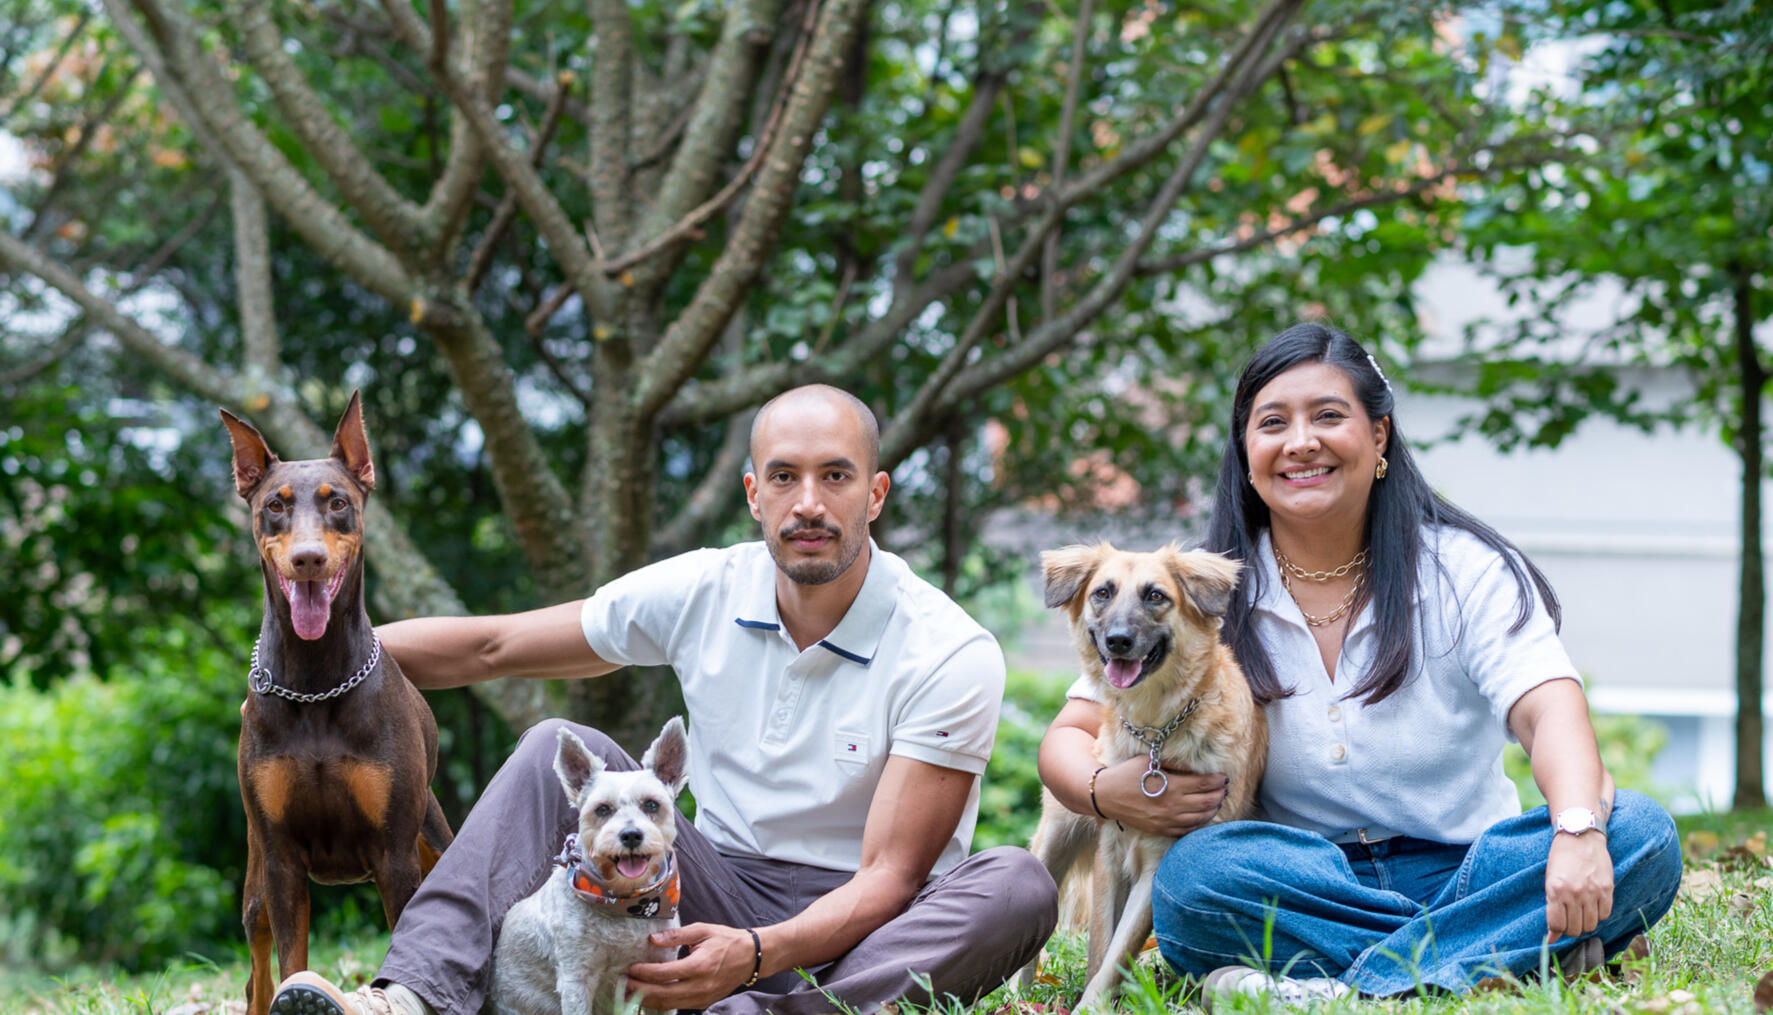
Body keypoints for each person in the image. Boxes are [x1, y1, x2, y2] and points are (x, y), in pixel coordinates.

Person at [272, 385, 1058, 1015]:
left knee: (1016, 885)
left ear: (875, 493)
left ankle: (761, 1009)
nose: (808, 503)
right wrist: (291, 666)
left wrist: (756, 956)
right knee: (553, 743)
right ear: (753, 493)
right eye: (784, 476)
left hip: (873, 927)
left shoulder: (945, 648)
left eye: (836, 475)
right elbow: (495, 646)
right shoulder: (706, 586)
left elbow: (889, 877)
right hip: (711, 886)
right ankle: (410, 994)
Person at [1036, 323, 1681, 1001]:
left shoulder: (1462, 569)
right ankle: (1496, 954)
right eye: (1273, 423)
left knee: (1641, 834)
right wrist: (1101, 791)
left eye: (1327, 416)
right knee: (1192, 878)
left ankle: (1338, 988)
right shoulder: (1201, 588)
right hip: (1302, 880)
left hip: (1468, 869)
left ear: (1378, 436)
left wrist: (1577, 829)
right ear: (1247, 452)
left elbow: (1550, 711)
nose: (1300, 441)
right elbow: (1069, 736)